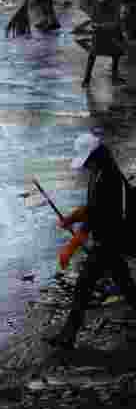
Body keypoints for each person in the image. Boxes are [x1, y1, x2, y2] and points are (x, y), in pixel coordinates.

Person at [47, 135, 136, 349]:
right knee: (123, 282)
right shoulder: (99, 172)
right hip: (110, 239)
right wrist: (72, 217)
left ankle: (67, 336)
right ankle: (68, 335)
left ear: (95, 156)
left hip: (113, 238)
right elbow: (92, 207)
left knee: (83, 285)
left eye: (87, 161)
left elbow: (97, 216)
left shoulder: (109, 177)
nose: (85, 166)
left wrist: (71, 246)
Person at [80, 0, 127, 87]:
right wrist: (92, 14)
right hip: (106, 23)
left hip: (106, 23)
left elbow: (84, 0)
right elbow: (84, 0)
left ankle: (88, 79)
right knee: (105, 51)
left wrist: (91, 14)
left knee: (109, 51)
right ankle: (91, 79)